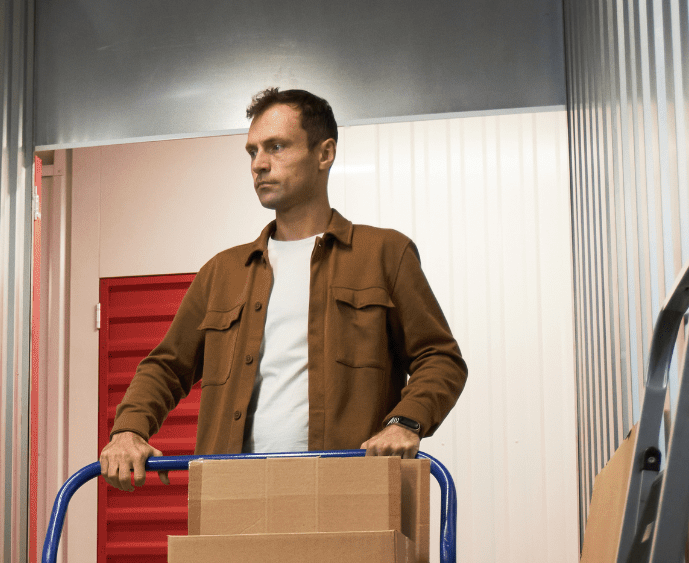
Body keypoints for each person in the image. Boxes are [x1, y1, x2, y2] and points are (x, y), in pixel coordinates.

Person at [99, 87, 467, 492]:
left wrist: (404, 422)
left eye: (275, 147)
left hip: (348, 493)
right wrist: (128, 431)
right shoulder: (222, 273)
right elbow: (165, 367)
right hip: (234, 496)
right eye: (252, 152)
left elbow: (440, 358)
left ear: (324, 154)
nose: (259, 164)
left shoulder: (384, 254)